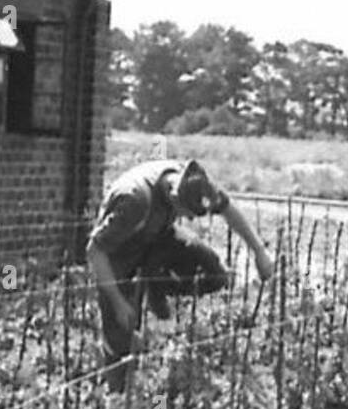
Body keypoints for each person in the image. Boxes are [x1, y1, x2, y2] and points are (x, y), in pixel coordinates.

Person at [86, 158, 275, 390]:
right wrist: (118, 302)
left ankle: (155, 292)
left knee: (214, 274)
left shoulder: (196, 183)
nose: (192, 219)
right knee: (121, 346)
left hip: (157, 239)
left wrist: (259, 251)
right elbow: (95, 251)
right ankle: (119, 400)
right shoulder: (135, 201)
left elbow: (227, 208)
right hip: (117, 254)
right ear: (174, 198)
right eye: (188, 213)